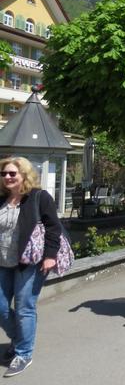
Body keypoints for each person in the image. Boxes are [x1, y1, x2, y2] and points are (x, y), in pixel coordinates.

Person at [0, 157, 62, 377]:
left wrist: (50, 256)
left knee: (25, 307)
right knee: (1, 307)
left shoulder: (38, 197)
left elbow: (54, 228)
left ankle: (24, 353)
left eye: (12, 173)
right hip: (3, 262)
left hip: (30, 262)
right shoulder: (2, 199)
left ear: (24, 175)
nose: (7, 177)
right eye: (4, 174)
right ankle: (18, 339)